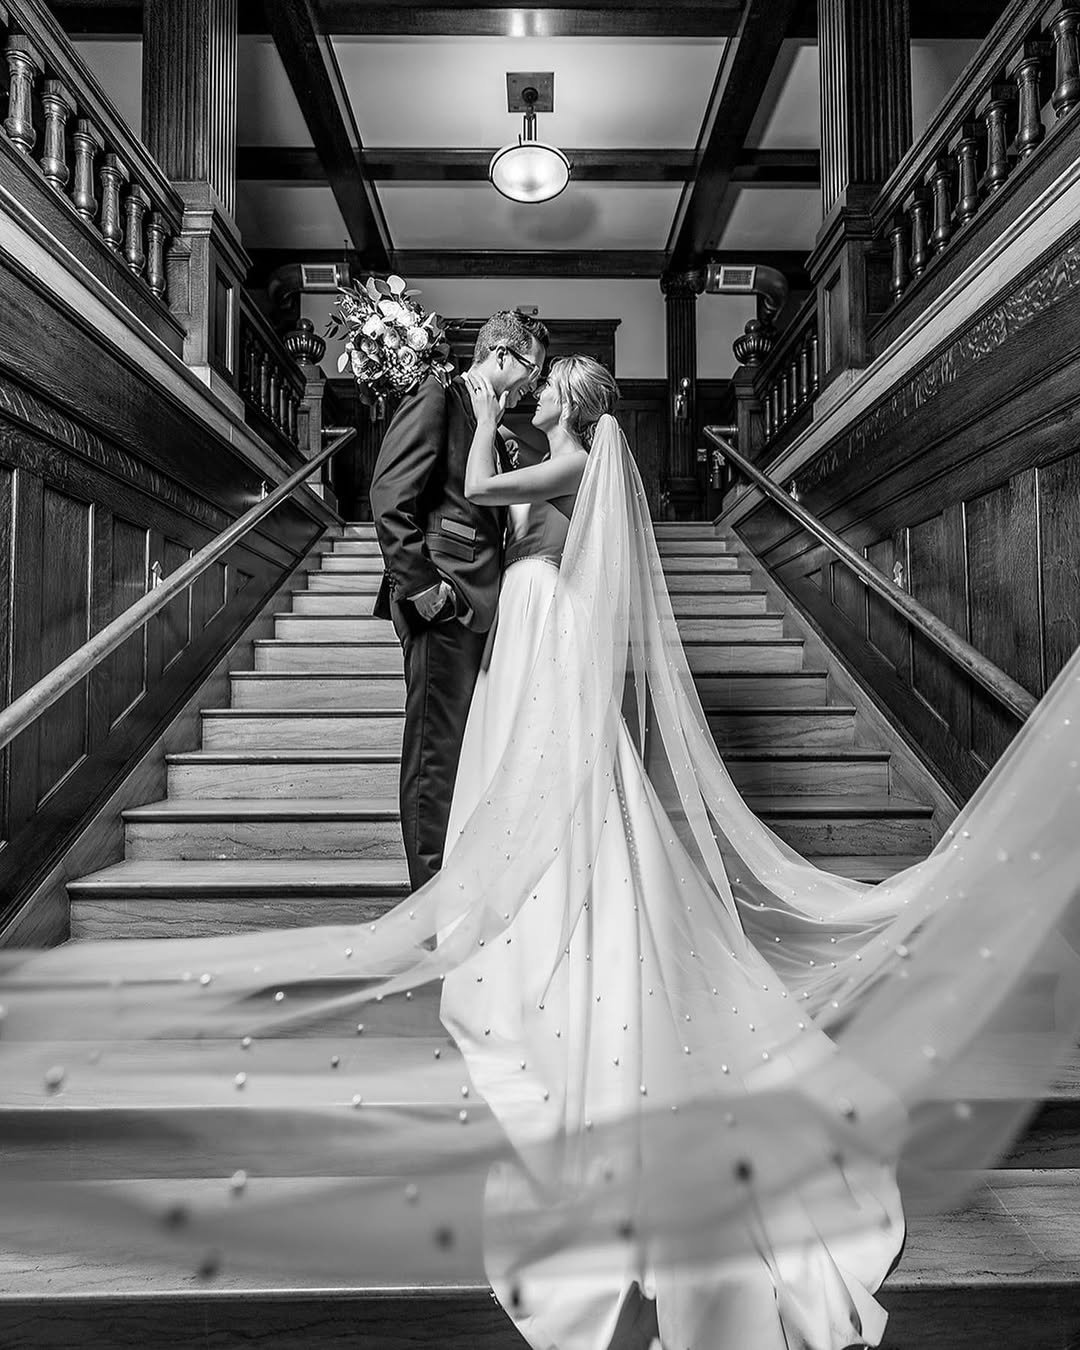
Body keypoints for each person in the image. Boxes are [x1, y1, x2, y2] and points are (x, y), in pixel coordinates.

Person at [2, 362, 1080, 1350]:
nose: (539, 390)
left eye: (551, 382)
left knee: (561, 793)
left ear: (574, 399)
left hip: (542, 634)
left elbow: (473, 481)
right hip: (530, 630)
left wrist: (479, 408)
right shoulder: (568, 462)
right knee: (519, 783)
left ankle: (556, 917)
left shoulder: (570, 455)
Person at [369, 308, 549, 890]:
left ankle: (456, 887)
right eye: (530, 368)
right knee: (433, 757)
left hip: (478, 606)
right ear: (501, 355)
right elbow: (389, 497)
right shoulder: (436, 398)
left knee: (461, 754)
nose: (532, 384)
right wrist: (423, 591)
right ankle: (428, 900)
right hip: (444, 603)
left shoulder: (491, 421)